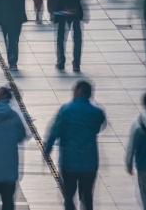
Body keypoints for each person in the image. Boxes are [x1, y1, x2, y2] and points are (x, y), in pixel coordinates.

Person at [45, 81, 106, 210]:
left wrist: (47, 149)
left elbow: (54, 131)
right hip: (90, 162)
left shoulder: (66, 110)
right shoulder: (97, 112)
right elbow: (100, 123)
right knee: (87, 196)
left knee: (69, 196)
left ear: (79, 91)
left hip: (69, 161)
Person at [54, 0, 84, 71]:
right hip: (75, 9)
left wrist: (65, 6)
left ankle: (61, 61)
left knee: (61, 37)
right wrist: (73, 7)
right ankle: (76, 63)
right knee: (77, 37)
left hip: (62, 10)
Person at [126, 91, 146, 210]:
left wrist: (129, 163)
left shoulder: (137, 124)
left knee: (145, 195)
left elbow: (131, 146)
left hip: (144, 167)